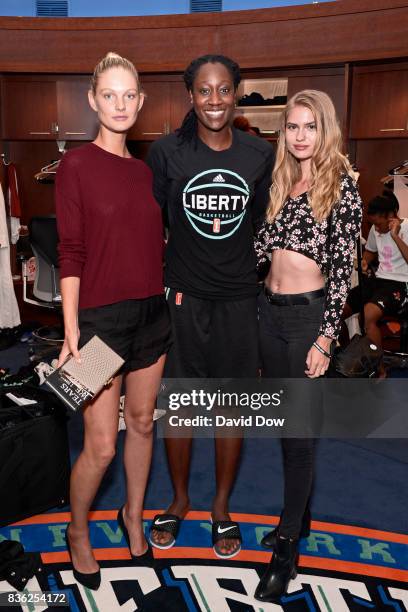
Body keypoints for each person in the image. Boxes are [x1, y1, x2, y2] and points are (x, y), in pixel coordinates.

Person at [146, 54, 274, 559]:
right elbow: (153, 223)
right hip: (182, 297)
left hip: (240, 301)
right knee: (179, 408)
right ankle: (179, 500)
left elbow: (265, 226)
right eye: (204, 91)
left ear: (237, 92)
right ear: (190, 97)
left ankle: (221, 506)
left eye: (223, 90)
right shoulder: (165, 153)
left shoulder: (259, 155)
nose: (214, 100)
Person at [56, 52, 171, 590]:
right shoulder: (76, 166)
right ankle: (77, 531)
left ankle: (132, 518)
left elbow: (152, 244)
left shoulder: (145, 170)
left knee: (144, 424)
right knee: (101, 445)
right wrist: (72, 331)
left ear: (141, 101)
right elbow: (72, 251)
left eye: (130, 96)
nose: (120, 105)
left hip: (153, 316)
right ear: (92, 99)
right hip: (100, 323)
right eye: (110, 95)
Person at [254, 89, 362, 602]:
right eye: (292, 127)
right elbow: (261, 252)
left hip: (306, 322)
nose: (300, 136)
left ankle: (287, 548)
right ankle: (299, 515)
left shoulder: (341, 188)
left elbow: (344, 271)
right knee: (285, 427)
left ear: (326, 129)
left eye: (309, 127)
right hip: (267, 317)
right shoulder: (280, 181)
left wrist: (325, 336)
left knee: (299, 438)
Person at [343, 193, 408, 367]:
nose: (376, 229)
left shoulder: (407, 227)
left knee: (368, 315)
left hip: (401, 285)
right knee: (339, 309)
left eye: (379, 224)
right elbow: (371, 251)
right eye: (373, 224)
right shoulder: (375, 229)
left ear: (392, 215)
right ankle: (344, 358)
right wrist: (365, 261)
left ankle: (377, 368)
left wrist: (395, 236)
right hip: (378, 282)